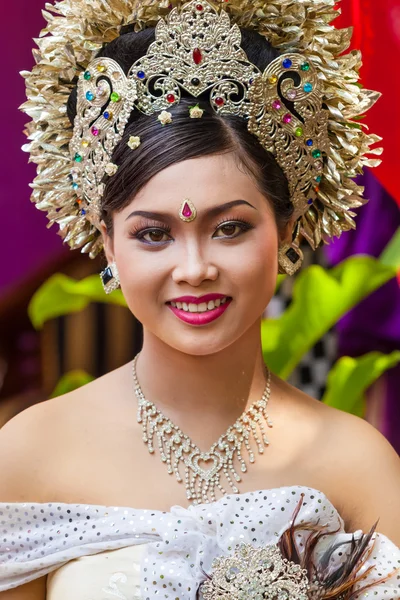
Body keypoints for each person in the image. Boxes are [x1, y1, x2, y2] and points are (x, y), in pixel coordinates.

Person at [1, 0, 399, 598]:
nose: (194, 269)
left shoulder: (355, 462)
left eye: (231, 227)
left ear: (287, 230)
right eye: (153, 234)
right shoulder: (31, 453)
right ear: (107, 242)